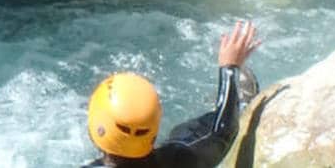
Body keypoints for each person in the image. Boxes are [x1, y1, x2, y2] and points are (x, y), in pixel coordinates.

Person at [82, 20, 261, 167]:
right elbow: (223, 132)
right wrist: (230, 67)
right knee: (187, 133)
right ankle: (241, 102)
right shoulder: (178, 160)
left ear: (93, 130)